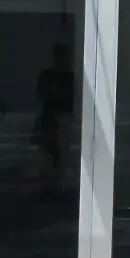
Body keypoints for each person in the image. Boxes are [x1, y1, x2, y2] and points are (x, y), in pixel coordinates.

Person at [32, 41, 75, 184]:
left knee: (61, 161)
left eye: (67, 57)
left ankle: (57, 186)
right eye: (63, 57)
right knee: (46, 161)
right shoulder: (48, 76)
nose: (66, 60)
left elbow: (73, 99)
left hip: (63, 124)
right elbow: (40, 97)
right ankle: (47, 187)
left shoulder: (70, 78)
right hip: (49, 124)